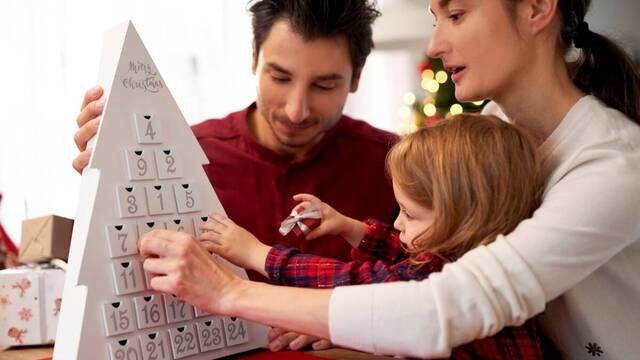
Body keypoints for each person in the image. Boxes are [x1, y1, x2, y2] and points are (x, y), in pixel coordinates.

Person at [137, 0, 640, 358]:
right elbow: (423, 269)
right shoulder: (495, 131)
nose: (437, 43)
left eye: (457, 14)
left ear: (536, 8)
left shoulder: (610, 164)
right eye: (435, 18)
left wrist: (232, 289)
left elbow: (446, 298)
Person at [72, 0, 397, 351]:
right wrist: (107, 187)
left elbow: (429, 291)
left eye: (323, 86)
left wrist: (345, 322)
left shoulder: (397, 167)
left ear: (357, 77)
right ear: (254, 57)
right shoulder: (185, 156)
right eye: (280, 77)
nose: (296, 110)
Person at [198, 114, 547, 359]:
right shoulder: (471, 254)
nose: (397, 224)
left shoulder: (446, 275)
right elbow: (403, 255)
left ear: (467, 218)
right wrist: (350, 227)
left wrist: (257, 253)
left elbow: (358, 285)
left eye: (409, 214)